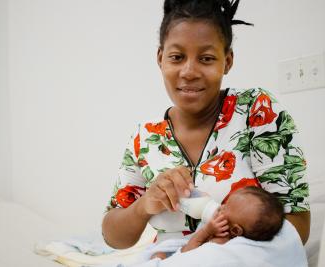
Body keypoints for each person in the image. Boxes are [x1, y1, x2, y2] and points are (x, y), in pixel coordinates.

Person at [102, 0, 310, 252]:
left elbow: (297, 224)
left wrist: (216, 250)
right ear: (160, 59)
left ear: (228, 60)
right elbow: (114, 237)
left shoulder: (256, 111)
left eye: (207, 58)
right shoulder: (144, 138)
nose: (189, 71)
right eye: (177, 57)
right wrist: (146, 203)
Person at [150, 186, 284, 260]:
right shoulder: (222, 235)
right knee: (159, 253)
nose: (220, 207)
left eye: (226, 208)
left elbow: (187, 253)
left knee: (158, 256)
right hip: (178, 256)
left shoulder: (219, 244)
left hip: (180, 260)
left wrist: (207, 231)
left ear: (236, 230)